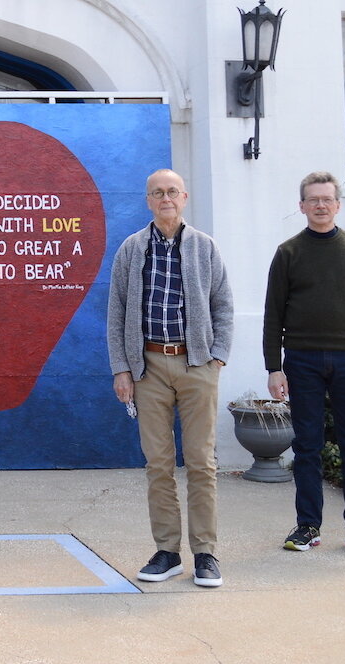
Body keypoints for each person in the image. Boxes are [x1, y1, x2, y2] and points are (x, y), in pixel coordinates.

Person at [106, 169, 234, 588]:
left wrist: (216, 358)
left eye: (172, 191)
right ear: (148, 200)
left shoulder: (204, 247)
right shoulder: (131, 249)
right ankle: (167, 551)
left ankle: (205, 553)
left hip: (197, 364)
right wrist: (122, 369)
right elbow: (116, 313)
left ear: (184, 196)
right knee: (158, 464)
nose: (165, 198)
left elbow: (223, 306)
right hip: (149, 368)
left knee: (201, 462)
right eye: (157, 193)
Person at [264, 170, 345, 557]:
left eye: (327, 199)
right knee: (307, 446)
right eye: (313, 200)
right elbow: (273, 315)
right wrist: (274, 367)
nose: (320, 205)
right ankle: (308, 526)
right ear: (301, 206)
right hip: (301, 361)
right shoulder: (289, 253)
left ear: (337, 205)